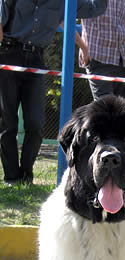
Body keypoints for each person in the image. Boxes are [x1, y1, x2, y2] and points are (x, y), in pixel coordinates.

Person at [0, 0, 108, 186]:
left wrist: (83, 46)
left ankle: (26, 174)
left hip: (36, 59)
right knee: (7, 123)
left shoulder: (62, 2)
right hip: (8, 55)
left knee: (35, 123)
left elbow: (94, 8)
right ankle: (12, 177)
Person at [79, 0, 125, 100]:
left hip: (122, 58)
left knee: (120, 111)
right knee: (105, 108)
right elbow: (66, 14)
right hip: (97, 56)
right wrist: (83, 47)